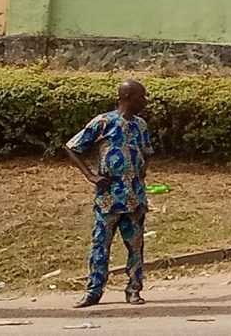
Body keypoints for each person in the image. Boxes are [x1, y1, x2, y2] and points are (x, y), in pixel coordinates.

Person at [65, 79, 153, 308]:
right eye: (141, 97)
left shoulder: (141, 125)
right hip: (108, 197)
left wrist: (142, 169)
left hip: (135, 197)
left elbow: (147, 151)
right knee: (100, 245)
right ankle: (93, 291)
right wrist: (90, 175)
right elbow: (72, 147)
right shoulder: (103, 122)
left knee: (136, 246)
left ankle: (134, 289)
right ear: (127, 98)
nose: (144, 102)